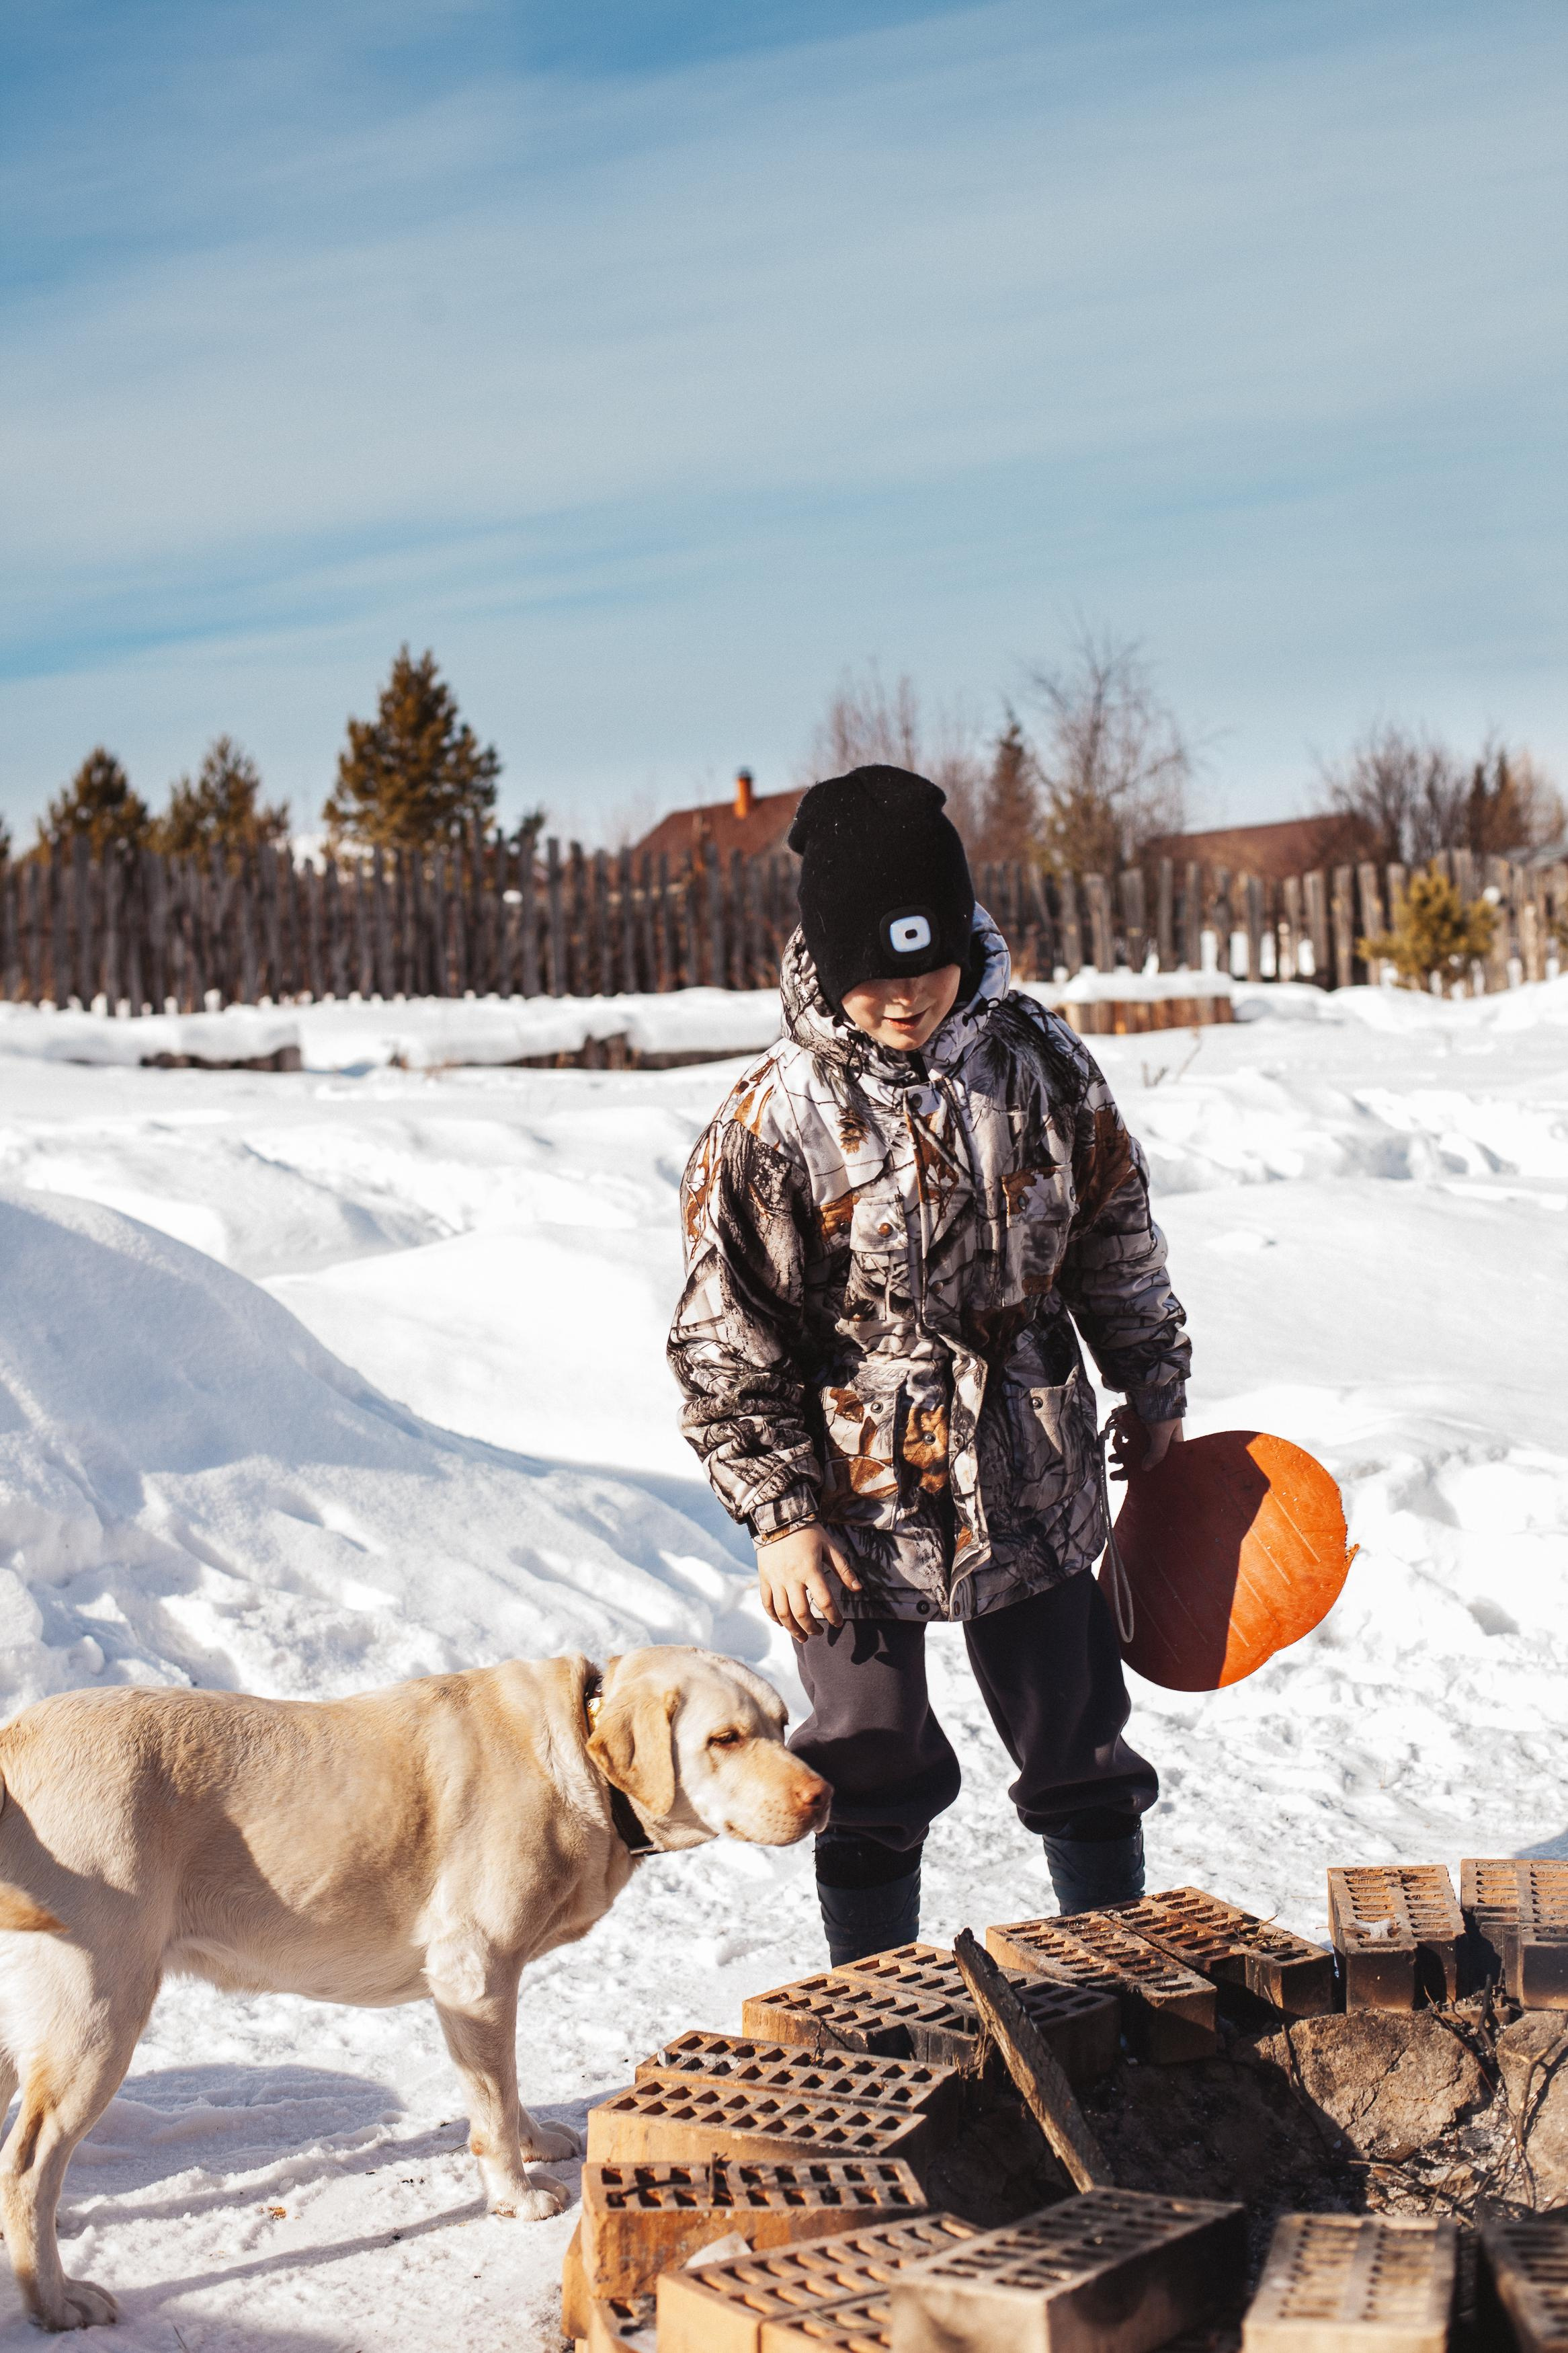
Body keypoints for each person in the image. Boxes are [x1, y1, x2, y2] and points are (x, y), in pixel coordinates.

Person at [667, 766, 1189, 1964]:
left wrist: (1150, 1382)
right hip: (851, 1494)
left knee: (1079, 1737)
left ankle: (1111, 1984)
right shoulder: (773, 1119)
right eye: (872, 972)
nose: (902, 999)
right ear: (825, 960)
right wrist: (781, 1516)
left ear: (963, 939)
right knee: (865, 1757)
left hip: (1033, 1461)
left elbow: (1114, 1233)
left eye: (926, 964)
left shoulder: (1043, 1064)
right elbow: (723, 1340)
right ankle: (875, 2010)